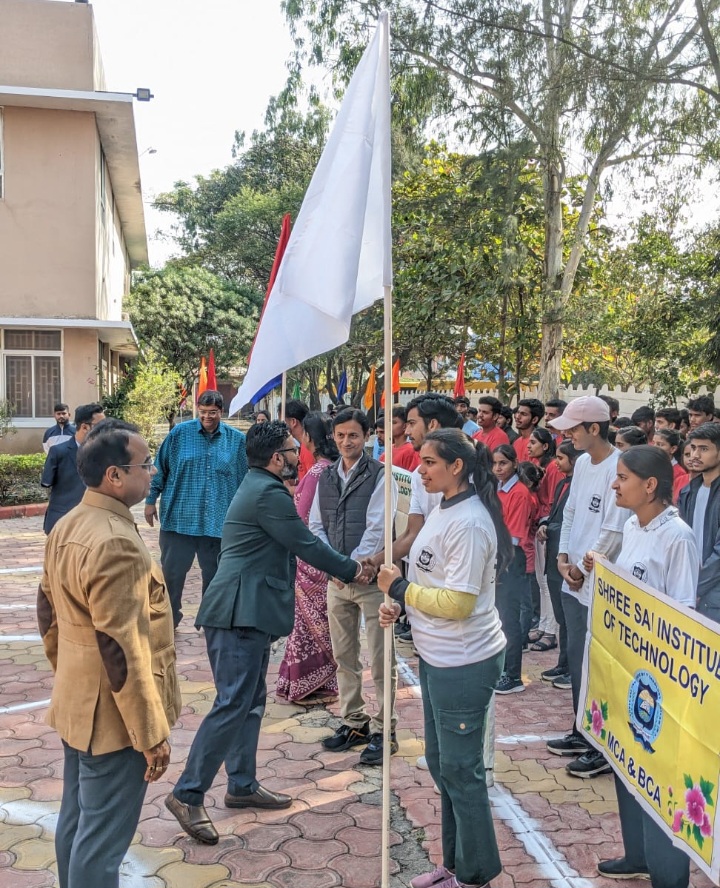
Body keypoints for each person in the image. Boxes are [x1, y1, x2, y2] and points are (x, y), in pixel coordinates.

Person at [165, 421, 367, 844]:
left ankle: (241, 784)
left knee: (249, 702)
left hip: (247, 612)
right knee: (233, 703)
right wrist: (354, 570)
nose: (299, 455)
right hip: (238, 613)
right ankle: (187, 793)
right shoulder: (268, 494)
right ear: (277, 458)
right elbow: (306, 544)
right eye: (293, 450)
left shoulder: (260, 485)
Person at [38, 419, 180, 888]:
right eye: (145, 464)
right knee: (100, 842)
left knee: (78, 821)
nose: (153, 471)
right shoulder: (115, 540)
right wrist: (149, 731)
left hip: (79, 700)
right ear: (114, 475)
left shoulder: (68, 523)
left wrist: (69, 673)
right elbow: (122, 647)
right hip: (115, 716)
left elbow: (47, 614)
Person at [377, 429, 512, 888]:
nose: (421, 470)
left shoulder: (470, 523)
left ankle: (475, 874)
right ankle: (454, 863)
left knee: (461, 769)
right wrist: (402, 605)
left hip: (465, 660)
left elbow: (458, 603)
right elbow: (431, 582)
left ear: (457, 466)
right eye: (420, 461)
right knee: (442, 764)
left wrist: (399, 588)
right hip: (437, 656)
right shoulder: (442, 508)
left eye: (430, 462)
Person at [588, 445, 698, 887]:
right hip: (627, 671)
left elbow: (682, 616)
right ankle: (638, 855)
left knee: (658, 778)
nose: (614, 485)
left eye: (623, 477)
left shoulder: (678, 537)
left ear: (650, 485)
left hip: (659, 684)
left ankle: (667, 874)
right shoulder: (633, 524)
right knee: (627, 764)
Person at [546, 396, 630, 777]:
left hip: (600, 582)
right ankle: (582, 729)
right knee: (578, 658)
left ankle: (603, 744)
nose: (568, 436)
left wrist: (581, 567)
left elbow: (612, 531)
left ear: (595, 428)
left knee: (599, 664)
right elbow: (572, 512)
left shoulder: (619, 467)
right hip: (574, 578)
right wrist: (563, 557)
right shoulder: (581, 464)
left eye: (574, 429)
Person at [309, 408, 399, 764]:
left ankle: (385, 729)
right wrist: (336, 566)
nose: (346, 442)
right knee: (344, 656)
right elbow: (316, 526)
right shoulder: (326, 476)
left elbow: (378, 527)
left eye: (354, 435)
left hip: (371, 580)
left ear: (367, 437)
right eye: (341, 435)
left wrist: (355, 566)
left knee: (381, 658)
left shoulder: (381, 475)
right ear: (333, 437)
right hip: (338, 581)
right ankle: (354, 721)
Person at [145, 390, 248, 629]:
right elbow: (159, 468)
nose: (207, 417)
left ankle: (209, 622)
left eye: (212, 413)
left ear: (221, 412)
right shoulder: (179, 434)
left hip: (217, 523)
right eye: (203, 412)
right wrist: (150, 500)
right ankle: (169, 620)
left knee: (215, 577)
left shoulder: (236, 441)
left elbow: (245, 480)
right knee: (172, 575)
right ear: (197, 410)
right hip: (179, 520)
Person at [276, 412, 342, 704]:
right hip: (324, 555)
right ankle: (313, 682)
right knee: (320, 624)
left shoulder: (317, 473)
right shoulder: (333, 469)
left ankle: (309, 684)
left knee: (308, 626)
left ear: (307, 437)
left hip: (311, 558)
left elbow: (302, 518)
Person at [538, 440, 581, 688]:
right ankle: (563, 663)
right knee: (561, 616)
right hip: (554, 554)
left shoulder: (579, 486)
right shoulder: (562, 483)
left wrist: (551, 528)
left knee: (569, 618)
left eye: (561, 458)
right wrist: (545, 523)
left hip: (567, 557)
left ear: (574, 460)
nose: (556, 463)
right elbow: (555, 513)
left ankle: (572, 667)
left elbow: (572, 522)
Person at [492, 444, 534, 694]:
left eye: (503, 463)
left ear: (515, 464)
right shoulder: (498, 489)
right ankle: (503, 668)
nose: (498, 468)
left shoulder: (519, 493)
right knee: (499, 616)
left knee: (510, 619)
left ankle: (513, 675)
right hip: (499, 555)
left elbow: (514, 537)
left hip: (510, 557)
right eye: (495, 463)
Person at [41, 403, 105, 535]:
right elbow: (47, 481)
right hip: (63, 522)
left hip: (95, 524)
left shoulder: (105, 454)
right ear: (85, 427)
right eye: (100, 426)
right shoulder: (58, 451)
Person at [678, 422, 720, 624]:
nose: (694, 455)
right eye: (693, 447)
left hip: (712, 594)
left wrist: (696, 587)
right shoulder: (688, 492)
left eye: (704, 449)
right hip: (689, 587)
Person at [526, 428, 563, 651]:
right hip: (539, 525)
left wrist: (545, 522)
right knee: (541, 582)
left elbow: (553, 502)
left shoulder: (553, 468)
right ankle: (542, 625)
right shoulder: (541, 466)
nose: (528, 446)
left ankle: (551, 631)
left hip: (546, 527)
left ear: (546, 446)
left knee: (547, 582)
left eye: (533, 442)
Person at [653, 428, 688, 503]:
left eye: (660, 444)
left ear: (673, 449)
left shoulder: (679, 473)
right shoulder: (649, 465)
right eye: (654, 443)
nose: (654, 447)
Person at [380, 405, 421, 471]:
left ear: (404, 426)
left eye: (394, 422)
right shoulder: (389, 449)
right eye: (388, 422)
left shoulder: (410, 451)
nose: (389, 426)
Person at [284, 398, 315, 479]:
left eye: (284, 421)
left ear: (293, 422)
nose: (281, 425)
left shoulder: (309, 448)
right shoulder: (303, 445)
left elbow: (312, 483)